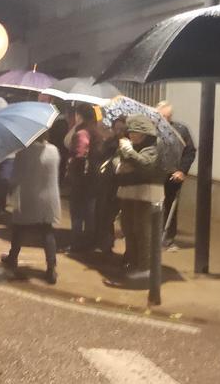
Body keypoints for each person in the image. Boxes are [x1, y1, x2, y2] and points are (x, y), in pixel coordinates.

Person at [0, 131, 61, 284]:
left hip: (29, 197)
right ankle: (51, 267)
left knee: (19, 228)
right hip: (49, 197)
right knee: (47, 230)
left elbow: (16, 176)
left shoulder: (24, 152)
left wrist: (10, 189)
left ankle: (12, 258)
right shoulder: (53, 150)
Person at [114, 115, 166, 281]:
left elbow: (145, 166)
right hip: (130, 192)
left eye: (135, 132)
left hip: (146, 194)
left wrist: (129, 153)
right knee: (129, 228)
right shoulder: (133, 145)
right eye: (130, 132)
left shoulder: (153, 147)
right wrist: (123, 159)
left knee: (143, 230)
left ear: (144, 133)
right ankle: (132, 261)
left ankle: (145, 267)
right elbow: (119, 162)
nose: (131, 135)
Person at [155, 101, 196, 251]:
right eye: (162, 116)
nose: (165, 119)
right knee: (153, 205)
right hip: (154, 174)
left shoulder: (181, 130)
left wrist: (182, 170)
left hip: (173, 174)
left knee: (170, 205)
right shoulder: (151, 129)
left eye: (168, 116)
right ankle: (151, 236)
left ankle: (168, 239)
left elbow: (190, 152)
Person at [65, 104, 100, 251]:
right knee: (90, 213)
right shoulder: (97, 132)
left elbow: (79, 155)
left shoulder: (82, 133)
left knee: (78, 212)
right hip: (94, 178)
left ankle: (77, 244)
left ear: (80, 115)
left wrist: (71, 163)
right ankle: (90, 242)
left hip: (81, 180)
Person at [94, 117, 128, 253]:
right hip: (108, 185)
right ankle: (106, 243)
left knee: (124, 218)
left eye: (122, 129)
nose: (119, 131)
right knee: (106, 215)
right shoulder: (110, 142)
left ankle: (125, 250)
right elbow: (100, 157)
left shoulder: (128, 144)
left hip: (123, 185)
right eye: (116, 128)